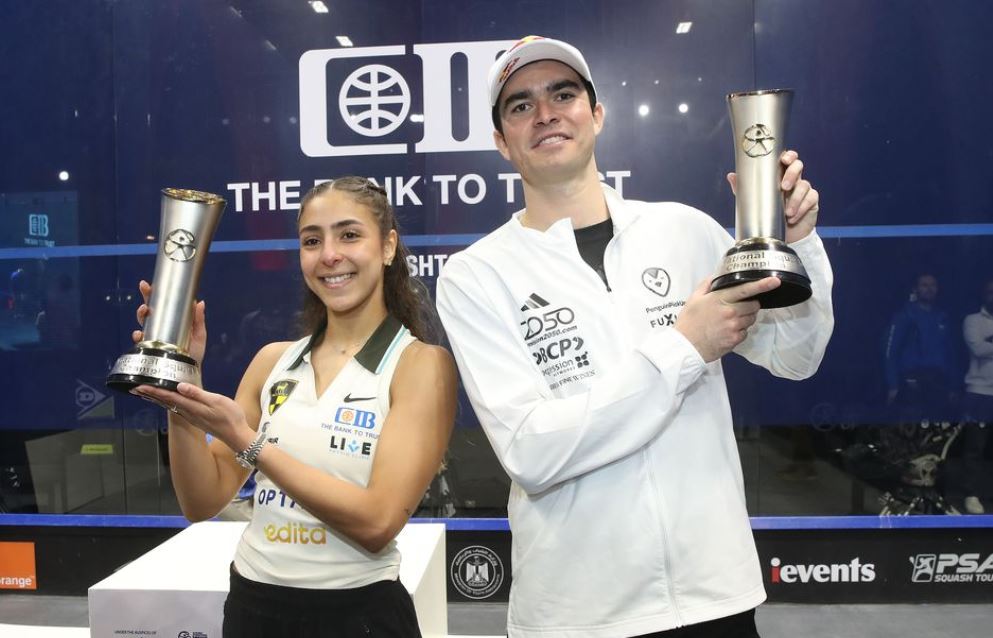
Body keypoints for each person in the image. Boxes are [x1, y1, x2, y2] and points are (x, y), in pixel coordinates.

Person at [435, 36, 834, 637]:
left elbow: (795, 357)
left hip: (714, 595)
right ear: (501, 141)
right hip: (577, 614)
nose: (545, 113)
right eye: (520, 105)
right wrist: (684, 347)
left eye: (563, 94)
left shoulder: (685, 230)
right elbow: (532, 452)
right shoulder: (477, 275)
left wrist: (798, 241)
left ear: (596, 114)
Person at [132, 176, 457, 637]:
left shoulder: (419, 365)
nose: (329, 255)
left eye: (349, 235)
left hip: (358, 614)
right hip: (253, 606)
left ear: (387, 247)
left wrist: (247, 441)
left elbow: (377, 522)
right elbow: (201, 501)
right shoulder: (273, 361)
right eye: (312, 240)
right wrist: (180, 383)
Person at [883, 273, 957, 424]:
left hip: (938, 382)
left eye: (933, 285)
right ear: (915, 289)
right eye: (924, 285)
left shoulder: (942, 317)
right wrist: (893, 384)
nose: (929, 289)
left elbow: (950, 353)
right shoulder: (904, 316)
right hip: (912, 381)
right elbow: (890, 352)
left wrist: (953, 385)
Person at [960, 277, 993, 514]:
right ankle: (971, 494)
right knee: (975, 447)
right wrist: (985, 345)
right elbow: (978, 349)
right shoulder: (972, 320)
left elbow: (985, 347)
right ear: (984, 294)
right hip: (979, 392)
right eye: (991, 292)